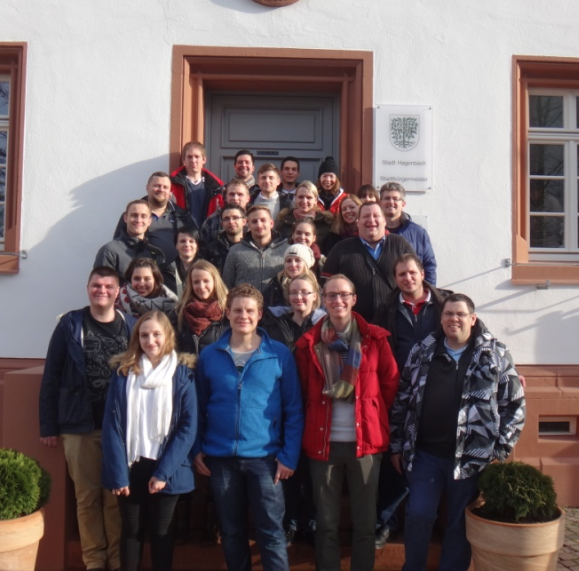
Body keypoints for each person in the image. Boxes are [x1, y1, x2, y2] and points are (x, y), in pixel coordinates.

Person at [389, 293, 526, 571]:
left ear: (472, 319)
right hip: (425, 454)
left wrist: (500, 448)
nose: (454, 319)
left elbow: (514, 404)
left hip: (471, 458)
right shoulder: (422, 351)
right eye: (448, 313)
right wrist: (397, 444)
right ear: (441, 318)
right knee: (418, 515)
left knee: (458, 523)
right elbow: (402, 399)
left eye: (460, 314)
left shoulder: (495, 354)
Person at [193, 284, 304, 571]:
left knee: (271, 533)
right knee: (231, 532)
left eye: (250, 310)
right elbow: (199, 406)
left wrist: (289, 456)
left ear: (260, 314)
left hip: (266, 459)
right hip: (221, 459)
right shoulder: (210, 355)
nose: (244, 315)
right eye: (238, 310)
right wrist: (197, 447)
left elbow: (293, 409)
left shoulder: (279, 354)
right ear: (227, 313)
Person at [294, 274, 400, 571]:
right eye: (331, 295)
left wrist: (373, 413)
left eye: (344, 295)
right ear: (322, 300)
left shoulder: (375, 339)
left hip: (365, 444)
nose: (337, 300)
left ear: (354, 299)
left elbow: (390, 384)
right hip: (323, 444)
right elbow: (302, 391)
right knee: (326, 523)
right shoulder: (309, 344)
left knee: (365, 523)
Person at [39, 267, 136, 571]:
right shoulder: (70, 325)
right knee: (87, 499)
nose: (101, 290)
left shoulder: (130, 326)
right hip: (79, 426)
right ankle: (94, 560)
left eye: (108, 286)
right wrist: (48, 425)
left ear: (118, 291)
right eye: (96, 285)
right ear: (88, 288)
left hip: (119, 430)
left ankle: (117, 560)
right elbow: (52, 376)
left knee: (115, 498)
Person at [102, 311, 197, 571]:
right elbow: (112, 425)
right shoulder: (123, 373)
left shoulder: (182, 374)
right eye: (144, 335)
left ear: (168, 336)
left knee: (161, 532)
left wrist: (163, 473)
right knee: (131, 531)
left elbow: (188, 427)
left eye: (156, 334)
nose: (150, 340)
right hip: (131, 466)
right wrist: (118, 474)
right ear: (137, 338)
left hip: (167, 467)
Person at [372, 253, 450, 549]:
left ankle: (435, 523)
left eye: (412, 273)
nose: (408, 278)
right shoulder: (386, 308)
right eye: (402, 274)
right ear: (395, 279)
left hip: (438, 392)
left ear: (422, 274)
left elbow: (476, 333)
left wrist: (508, 370)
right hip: (400, 393)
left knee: (429, 457)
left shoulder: (444, 304)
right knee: (393, 459)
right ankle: (386, 523)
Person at [261, 273, 325, 545]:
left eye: (305, 292)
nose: (299, 297)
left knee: (312, 468)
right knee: (287, 465)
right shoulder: (275, 324)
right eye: (294, 292)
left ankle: (311, 520)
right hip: (283, 402)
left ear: (315, 296)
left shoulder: (324, 325)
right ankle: (290, 522)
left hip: (316, 402)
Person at [322, 202, 416, 322]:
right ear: (358, 222)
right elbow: (326, 286)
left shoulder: (400, 245)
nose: (371, 220)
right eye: (366, 216)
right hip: (355, 325)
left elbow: (416, 280)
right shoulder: (341, 249)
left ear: (384, 221)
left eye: (376, 216)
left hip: (396, 322)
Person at [113, 172, 190, 263]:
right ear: (147, 188)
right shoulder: (132, 216)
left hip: (175, 270)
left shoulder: (183, 215)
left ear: (170, 192)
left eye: (165, 187)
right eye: (157, 186)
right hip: (141, 268)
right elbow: (117, 246)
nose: (161, 190)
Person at [95, 200, 168, 284]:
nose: (138, 220)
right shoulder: (109, 251)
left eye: (143, 216)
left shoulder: (157, 254)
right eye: (134, 215)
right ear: (125, 218)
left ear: (149, 221)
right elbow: (103, 287)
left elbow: (160, 286)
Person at [379, 182, 437, 285]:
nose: (391, 202)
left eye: (395, 199)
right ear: (380, 203)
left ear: (403, 204)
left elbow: (429, 266)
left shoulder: (418, 233)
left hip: (411, 290)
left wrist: (429, 292)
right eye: (387, 198)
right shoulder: (374, 232)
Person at [222, 205, 288, 292]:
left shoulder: (286, 249)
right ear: (248, 224)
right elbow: (227, 285)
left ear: (271, 223)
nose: (259, 225)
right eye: (254, 221)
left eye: (263, 220)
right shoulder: (235, 251)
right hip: (244, 300)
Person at [171, 260, 228, 356]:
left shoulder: (227, 313)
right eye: (196, 282)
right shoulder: (179, 313)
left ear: (215, 281)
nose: (201, 287)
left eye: (206, 281)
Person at [170, 141, 224, 229]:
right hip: (182, 233)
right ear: (183, 160)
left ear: (204, 160)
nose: (193, 160)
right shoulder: (172, 184)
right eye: (189, 157)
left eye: (197, 156)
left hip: (208, 233)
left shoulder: (216, 186)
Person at [275, 181, 334, 254]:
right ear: (295, 198)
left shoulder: (325, 222)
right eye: (301, 197)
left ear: (315, 200)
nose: (304, 201)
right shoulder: (283, 220)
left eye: (309, 197)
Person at [262, 243, 316, 310]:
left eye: (297, 260)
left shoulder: (315, 288)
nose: (293, 264)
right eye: (289, 261)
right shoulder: (273, 288)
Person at [200, 180, 251, 245]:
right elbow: (203, 247)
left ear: (248, 198)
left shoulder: (255, 219)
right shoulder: (212, 221)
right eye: (231, 194)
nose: (235, 198)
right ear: (226, 197)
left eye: (240, 194)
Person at [202, 203, 247, 274]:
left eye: (235, 217)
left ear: (244, 221)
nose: (231, 222)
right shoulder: (211, 250)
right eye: (226, 219)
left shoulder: (252, 246)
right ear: (222, 224)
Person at [168, 226, 202, 296]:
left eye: (191, 241)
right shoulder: (167, 272)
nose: (187, 245)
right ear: (176, 245)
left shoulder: (207, 269)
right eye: (182, 241)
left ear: (197, 246)